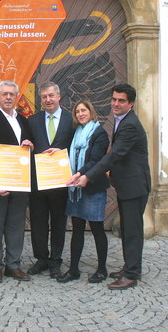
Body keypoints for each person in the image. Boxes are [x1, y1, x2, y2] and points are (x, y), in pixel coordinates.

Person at [67, 83, 151, 290]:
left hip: (134, 186)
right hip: (126, 185)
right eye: (114, 99)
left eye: (121, 100)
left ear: (130, 103)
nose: (115, 103)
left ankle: (131, 275)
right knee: (129, 228)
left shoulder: (129, 124)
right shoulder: (121, 120)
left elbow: (113, 156)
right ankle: (131, 267)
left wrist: (88, 175)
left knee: (132, 231)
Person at [0, 80, 34, 283]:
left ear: (17, 96)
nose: (9, 97)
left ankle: (13, 265)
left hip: (20, 181)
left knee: (16, 224)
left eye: (12, 94)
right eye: (5, 94)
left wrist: (29, 145)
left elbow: (26, 148)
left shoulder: (24, 120)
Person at [56, 99, 110, 284]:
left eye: (84, 110)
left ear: (91, 111)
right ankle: (73, 270)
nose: (80, 114)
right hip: (75, 189)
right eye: (77, 111)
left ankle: (102, 269)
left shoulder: (99, 133)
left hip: (92, 188)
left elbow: (96, 160)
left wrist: (79, 174)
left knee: (97, 229)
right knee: (77, 229)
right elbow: (69, 153)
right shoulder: (76, 133)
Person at [26, 82, 74, 278]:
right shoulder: (33, 120)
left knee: (58, 222)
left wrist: (64, 152)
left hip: (60, 181)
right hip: (38, 180)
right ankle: (41, 259)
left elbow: (77, 146)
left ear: (59, 96)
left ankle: (55, 260)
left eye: (51, 96)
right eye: (44, 97)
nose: (48, 100)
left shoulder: (71, 120)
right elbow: (27, 145)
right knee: (38, 222)